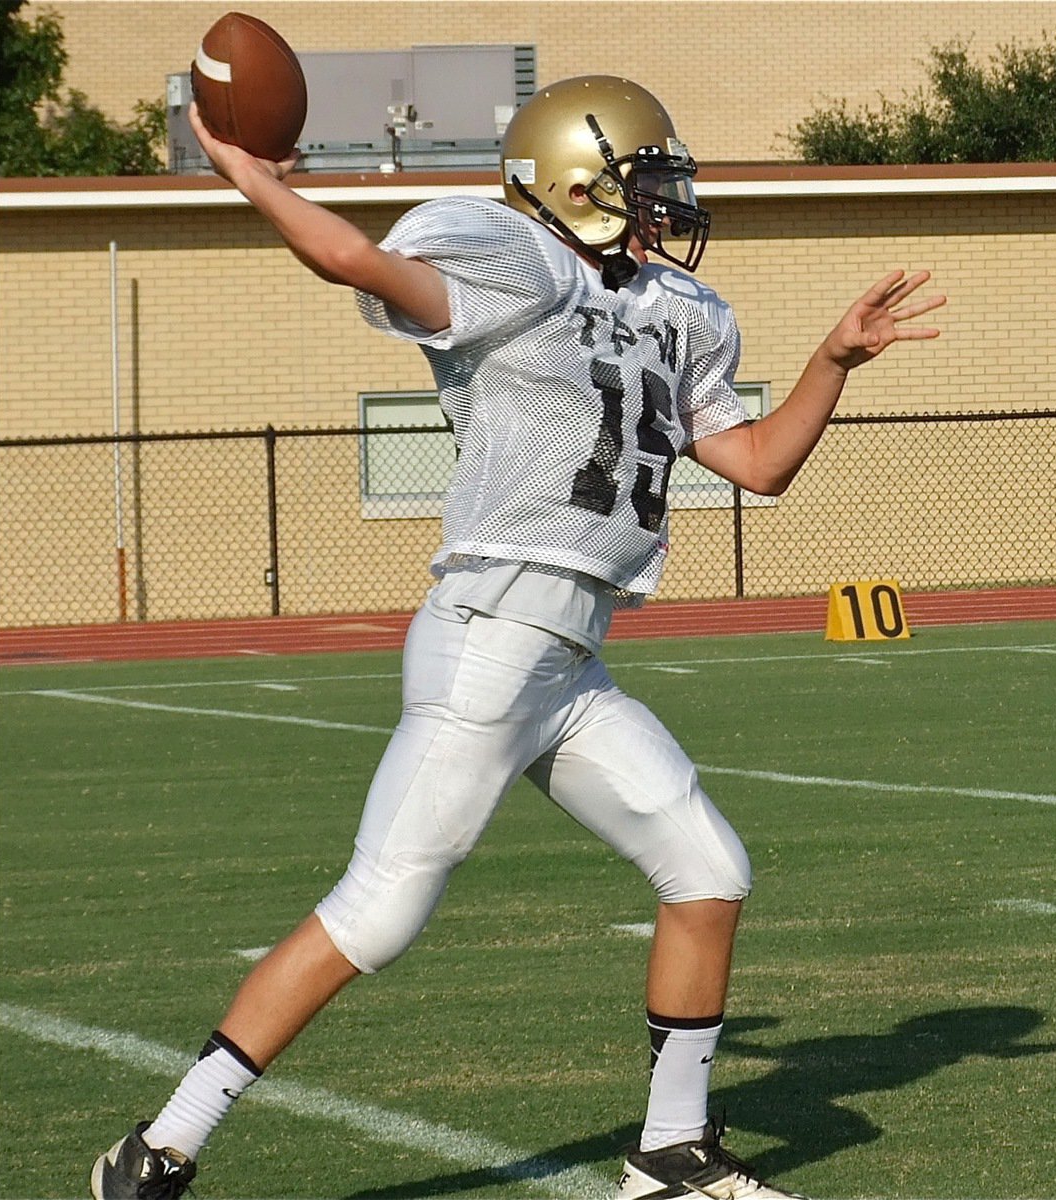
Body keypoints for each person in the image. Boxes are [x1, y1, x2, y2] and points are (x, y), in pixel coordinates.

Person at [90, 74, 944, 1200]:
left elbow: (758, 466)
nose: (664, 206)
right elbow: (353, 261)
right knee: (380, 908)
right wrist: (250, 174)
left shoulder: (681, 313)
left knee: (707, 869)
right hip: (492, 632)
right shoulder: (512, 265)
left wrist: (830, 363)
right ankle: (159, 1149)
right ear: (574, 183)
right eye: (644, 184)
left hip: (568, 658)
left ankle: (671, 1157)